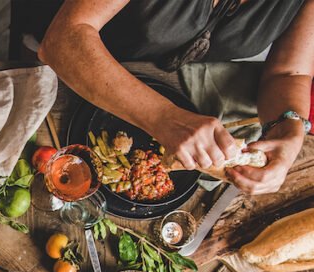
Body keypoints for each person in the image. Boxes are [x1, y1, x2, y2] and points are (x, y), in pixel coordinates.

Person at [34, 0, 314, 195]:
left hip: (177, 94)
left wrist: (290, 133)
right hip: (67, 78)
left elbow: (289, 74)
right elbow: (63, 40)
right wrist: (164, 118)